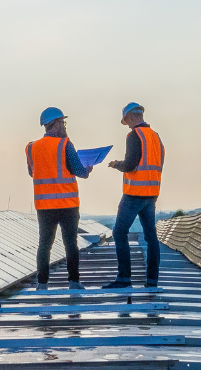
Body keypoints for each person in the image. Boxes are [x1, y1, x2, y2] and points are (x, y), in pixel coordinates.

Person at [26, 107, 92, 290]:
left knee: (44, 244)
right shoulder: (65, 145)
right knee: (70, 243)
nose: (64, 125)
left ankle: (42, 284)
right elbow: (79, 171)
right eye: (62, 122)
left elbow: (32, 172)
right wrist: (87, 169)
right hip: (67, 204)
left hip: (44, 205)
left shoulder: (31, 148)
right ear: (55, 124)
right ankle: (74, 282)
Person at [101, 102, 163, 289]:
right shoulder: (155, 136)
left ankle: (123, 279)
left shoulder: (134, 135)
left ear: (131, 117)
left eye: (126, 120)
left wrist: (116, 164)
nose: (127, 124)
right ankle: (151, 281)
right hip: (151, 193)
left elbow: (130, 165)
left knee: (119, 232)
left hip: (135, 192)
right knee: (151, 236)